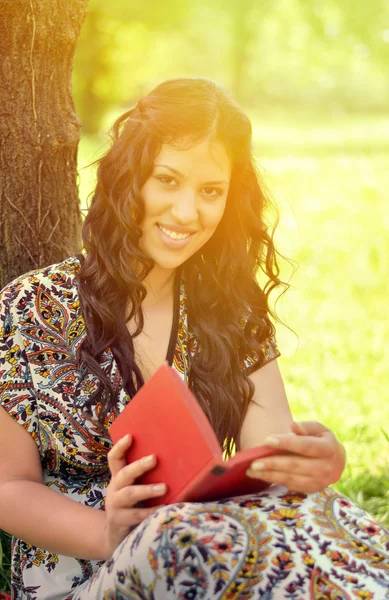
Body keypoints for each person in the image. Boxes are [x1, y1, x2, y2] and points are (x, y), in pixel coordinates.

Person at [0, 78, 388, 600]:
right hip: (83, 573)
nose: (187, 213)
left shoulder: (228, 307)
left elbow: (267, 461)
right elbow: (8, 488)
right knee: (170, 534)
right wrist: (109, 531)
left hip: (210, 550)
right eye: (167, 180)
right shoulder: (31, 306)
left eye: (211, 191)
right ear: (129, 178)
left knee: (324, 510)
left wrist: (315, 464)